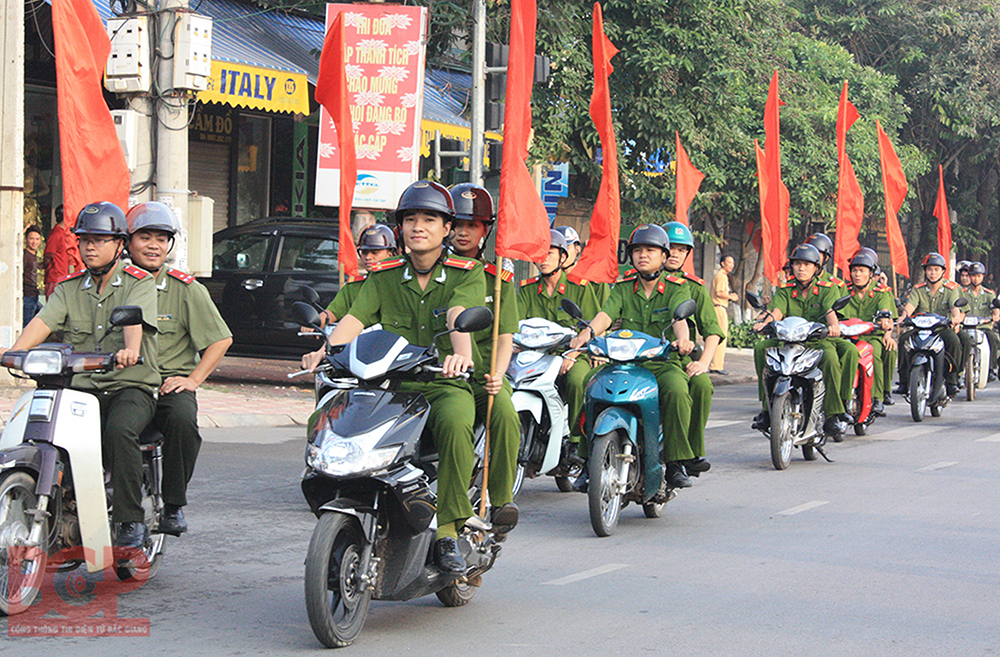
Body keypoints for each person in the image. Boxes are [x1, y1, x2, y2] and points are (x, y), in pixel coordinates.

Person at [301, 180, 484, 574]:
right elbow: (354, 318)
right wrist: (327, 350)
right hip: (391, 386)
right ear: (400, 228)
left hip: (441, 384)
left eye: (430, 219)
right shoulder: (383, 275)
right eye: (411, 219)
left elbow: (459, 314)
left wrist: (461, 356)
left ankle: (449, 529)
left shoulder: (466, 274)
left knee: (455, 422)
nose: (419, 226)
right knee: (337, 412)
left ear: (447, 228)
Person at [2, 201, 160, 549]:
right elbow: (42, 323)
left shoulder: (139, 283)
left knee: (119, 430)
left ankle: (129, 520)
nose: (90, 246)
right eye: (85, 239)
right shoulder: (69, 288)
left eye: (100, 239)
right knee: (40, 429)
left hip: (128, 386)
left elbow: (133, 321)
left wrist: (129, 350)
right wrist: (11, 352)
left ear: (119, 244)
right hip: (80, 389)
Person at [126, 202, 233, 535]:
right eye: (145, 237)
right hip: (124, 383)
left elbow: (220, 340)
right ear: (128, 241)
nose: (154, 245)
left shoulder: (187, 289)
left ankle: (173, 505)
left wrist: (193, 379)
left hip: (166, 385)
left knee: (183, 421)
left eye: (162, 238)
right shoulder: (116, 284)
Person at [570, 224, 704, 489]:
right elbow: (606, 315)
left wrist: (684, 339)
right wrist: (586, 334)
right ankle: (587, 460)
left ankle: (676, 462)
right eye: (638, 250)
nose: (643, 255)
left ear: (664, 257)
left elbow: (680, 319)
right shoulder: (622, 287)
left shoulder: (677, 287)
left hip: (662, 364)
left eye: (651, 250)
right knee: (590, 386)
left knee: (677, 391)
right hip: (624, 364)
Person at [448, 182, 519, 530]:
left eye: (472, 225)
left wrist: (499, 375)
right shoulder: (433, 269)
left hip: (482, 377)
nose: (463, 232)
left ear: (486, 230)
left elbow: (505, 337)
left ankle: (502, 499)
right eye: (458, 223)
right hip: (436, 373)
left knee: (506, 414)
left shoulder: (499, 279)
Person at [752, 243, 856, 436]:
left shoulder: (827, 288)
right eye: (797, 264)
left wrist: (834, 327)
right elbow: (777, 311)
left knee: (832, 359)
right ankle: (767, 409)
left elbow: (830, 311)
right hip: (789, 341)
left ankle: (833, 414)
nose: (801, 268)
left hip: (817, 342)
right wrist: (764, 323)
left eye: (807, 264)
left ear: (816, 268)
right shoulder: (785, 289)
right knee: (761, 348)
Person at [519, 229, 600, 463]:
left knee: (576, 381)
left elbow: (593, 326)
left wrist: (574, 352)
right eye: (539, 254)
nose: (543, 259)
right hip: (536, 356)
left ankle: (575, 443)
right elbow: (517, 325)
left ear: (563, 257)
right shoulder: (526, 289)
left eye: (549, 253)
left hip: (575, 355)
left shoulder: (580, 288)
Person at [659, 221, 725, 481]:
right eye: (670, 248)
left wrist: (704, 362)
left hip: (678, 358)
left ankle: (691, 451)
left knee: (701, 386)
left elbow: (712, 331)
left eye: (681, 249)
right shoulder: (635, 281)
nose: (675, 254)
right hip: (635, 355)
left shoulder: (693, 287)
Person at [895, 252, 969, 398]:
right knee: (904, 339)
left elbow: (955, 307)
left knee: (956, 340)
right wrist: (903, 317)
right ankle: (904, 381)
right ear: (925, 271)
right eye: (929, 269)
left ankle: (952, 380)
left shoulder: (951, 288)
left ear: (943, 271)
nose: (933, 273)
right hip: (921, 329)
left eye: (936, 269)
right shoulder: (918, 288)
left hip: (942, 329)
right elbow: (911, 306)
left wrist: (955, 318)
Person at [838, 250, 897, 416]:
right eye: (854, 270)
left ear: (871, 274)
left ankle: (878, 396)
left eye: (862, 271)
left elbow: (887, 312)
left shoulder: (881, 292)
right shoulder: (844, 291)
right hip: (847, 336)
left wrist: (886, 326)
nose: (857, 274)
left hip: (872, 337)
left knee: (875, 355)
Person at [314, 224, 398, 329]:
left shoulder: (401, 283)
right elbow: (333, 312)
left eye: (374, 252)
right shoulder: (354, 286)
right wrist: (317, 321)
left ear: (390, 254)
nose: (368, 257)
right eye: (364, 252)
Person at [962, 261, 999, 381]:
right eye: (973, 275)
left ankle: (991, 369)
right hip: (965, 327)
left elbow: (995, 309)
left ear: (983, 277)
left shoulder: (989, 294)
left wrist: (995, 316)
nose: (976, 279)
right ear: (969, 276)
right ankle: (956, 370)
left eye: (979, 276)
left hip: (983, 327)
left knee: (992, 338)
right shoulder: (962, 293)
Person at [555, 224, 610, 304]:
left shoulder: (595, 280)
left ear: (577, 249)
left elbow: (605, 312)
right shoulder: (547, 280)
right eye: (557, 249)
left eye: (567, 247)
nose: (562, 253)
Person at [44, 204, 84, 298]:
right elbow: (48, 255)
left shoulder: (65, 233)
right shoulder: (56, 233)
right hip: (55, 278)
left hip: (63, 277)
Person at [709, 254, 739, 374]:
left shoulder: (720, 275)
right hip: (719, 307)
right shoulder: (721, 276)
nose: (732, 265)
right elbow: (719, 293)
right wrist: (731, 296)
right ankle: (716, 365)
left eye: (732, 263)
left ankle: (716, 364)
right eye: (729, 262)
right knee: (722, 337)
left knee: (718, 336)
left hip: (718, 308)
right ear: (722, 263)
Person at [23, 226, 43, 326]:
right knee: (26, 326)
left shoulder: (33, 255)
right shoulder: (24, 255)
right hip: (27, 295)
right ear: (26, 239)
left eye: (37, 239)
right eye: (31, 238)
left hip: (34, 295)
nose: (34, 242)